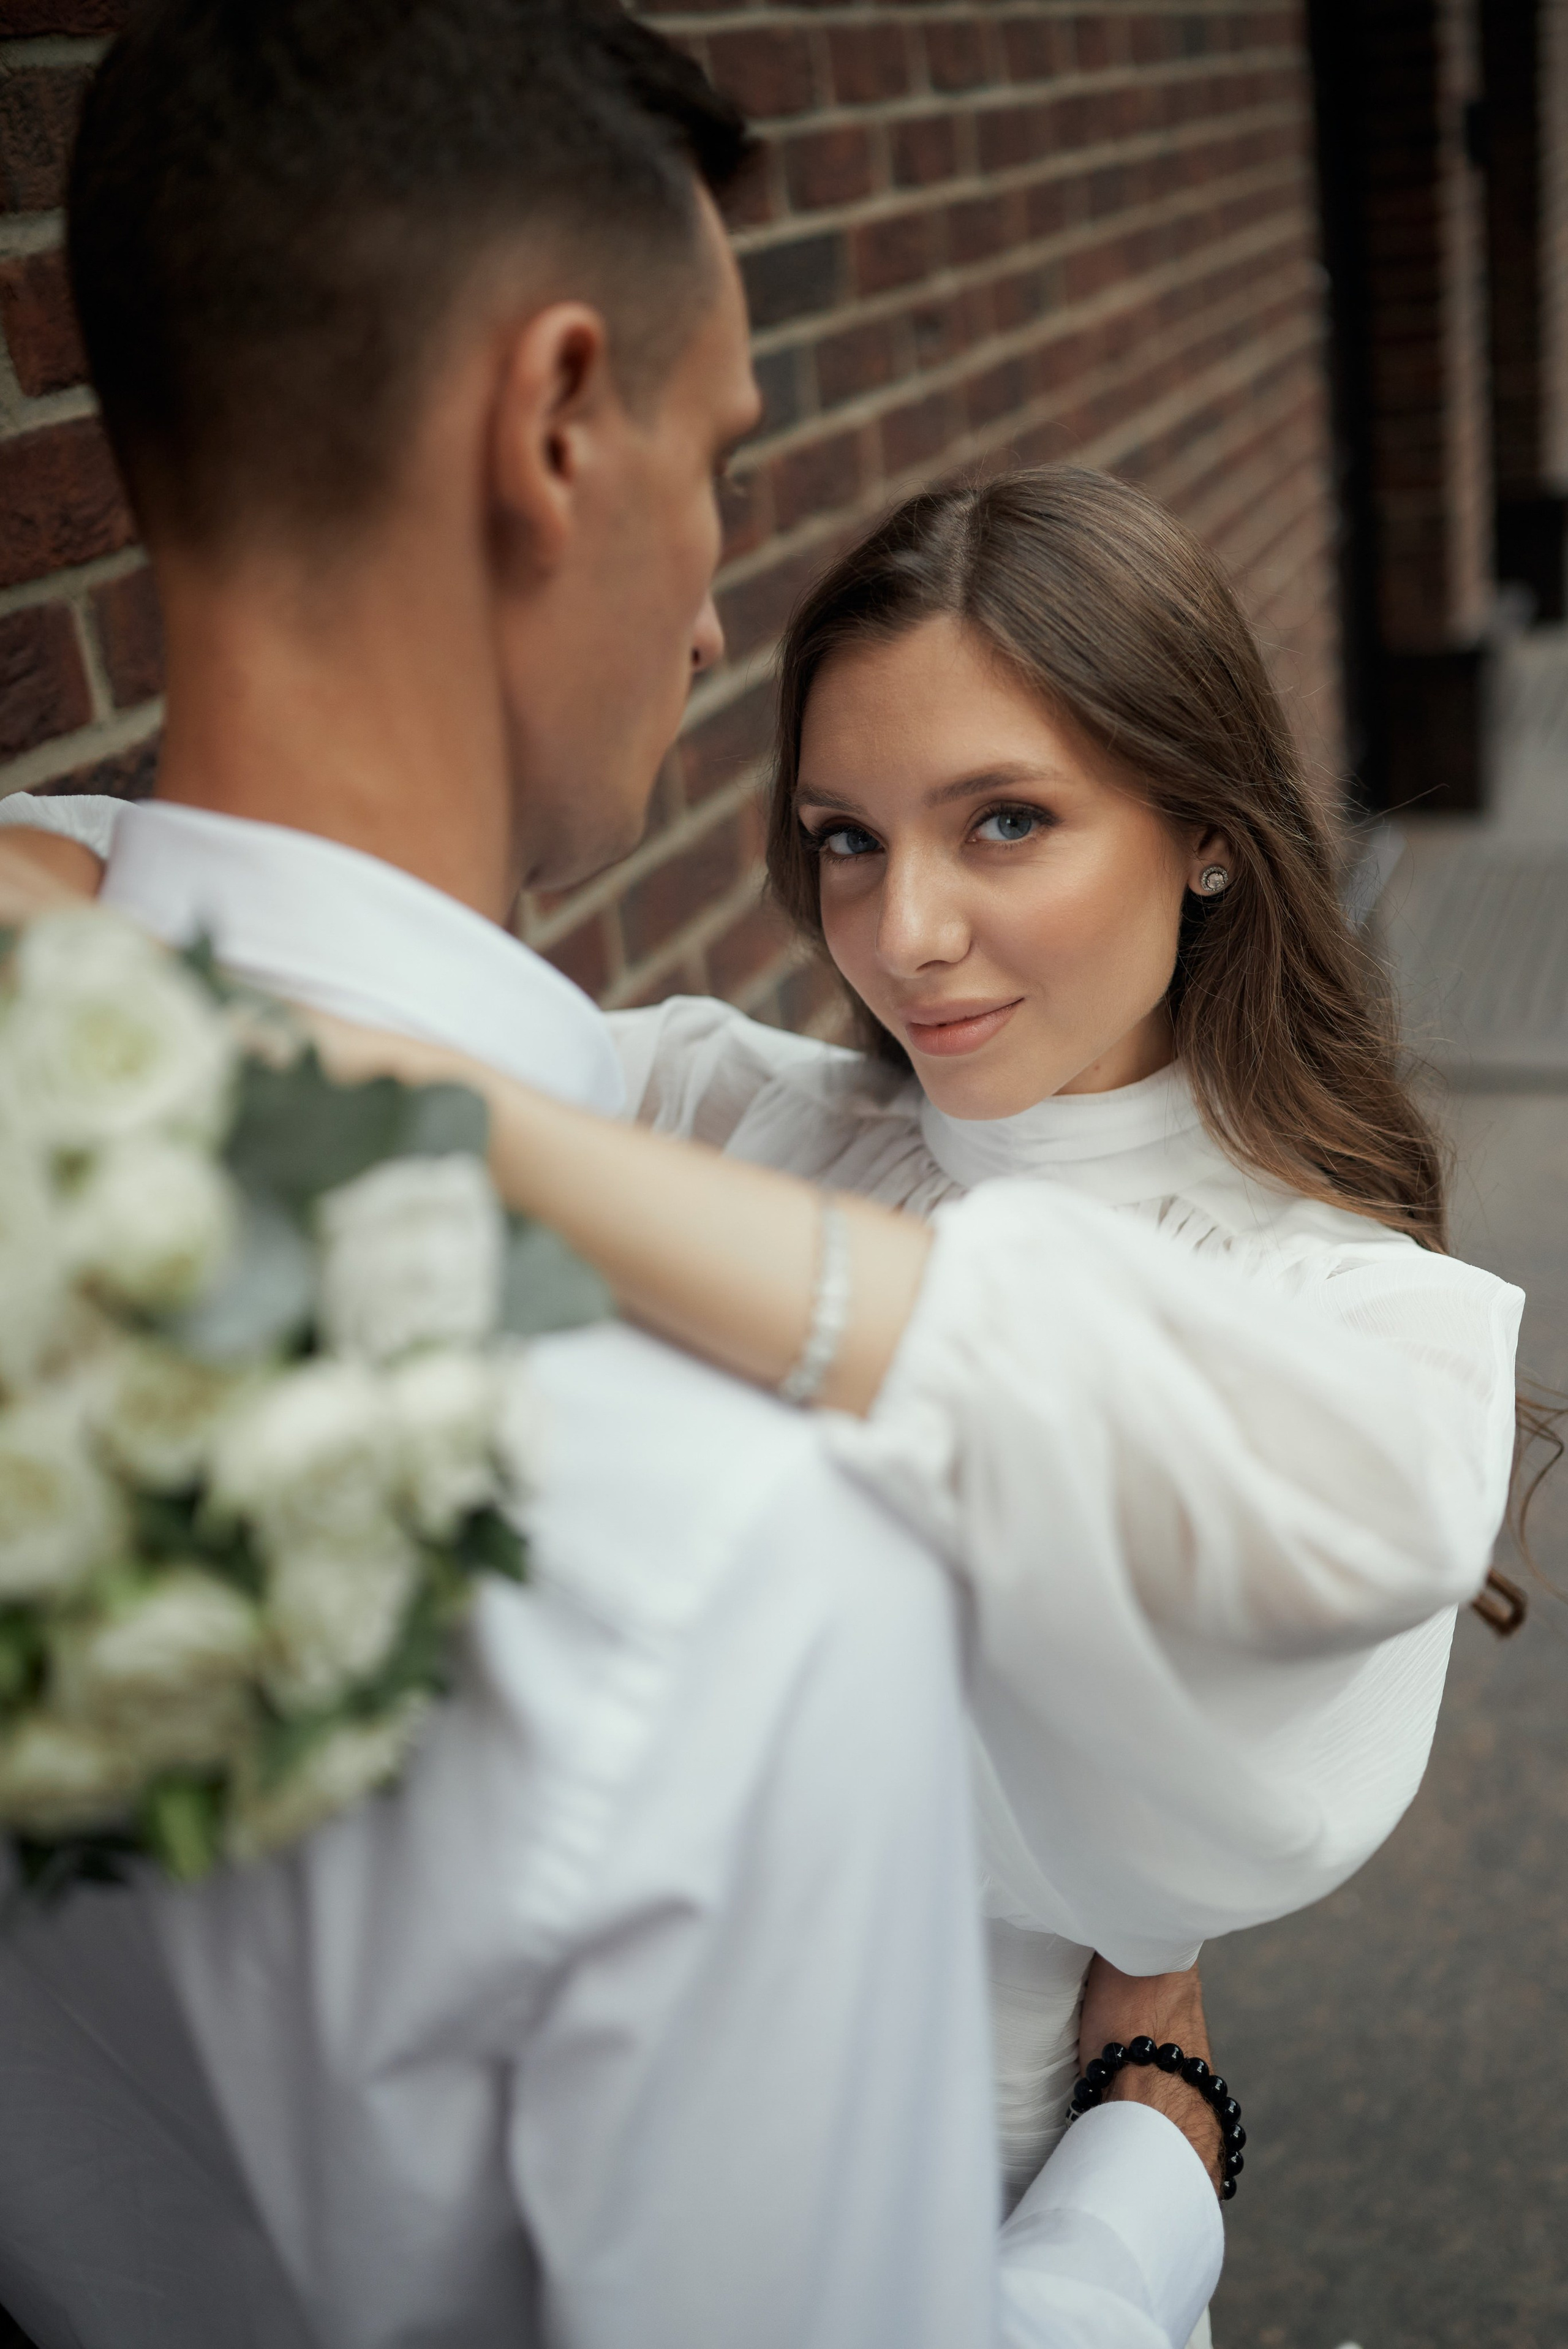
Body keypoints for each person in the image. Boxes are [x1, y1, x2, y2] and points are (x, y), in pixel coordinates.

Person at [0, 5, 1233, 2347]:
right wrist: (1155, 2151)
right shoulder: (738, 1523)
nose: (704, 610)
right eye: (717, 461)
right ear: (558, 423)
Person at [10, 466, 1526, 2214]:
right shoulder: (747, 1107)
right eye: (847, 836)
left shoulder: (1356, 1317)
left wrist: (427, 1118)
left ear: (1204, 827)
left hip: (952, 2169)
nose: (902, 933)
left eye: (1006, 821)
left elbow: (1302, 1482)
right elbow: (176, 888)